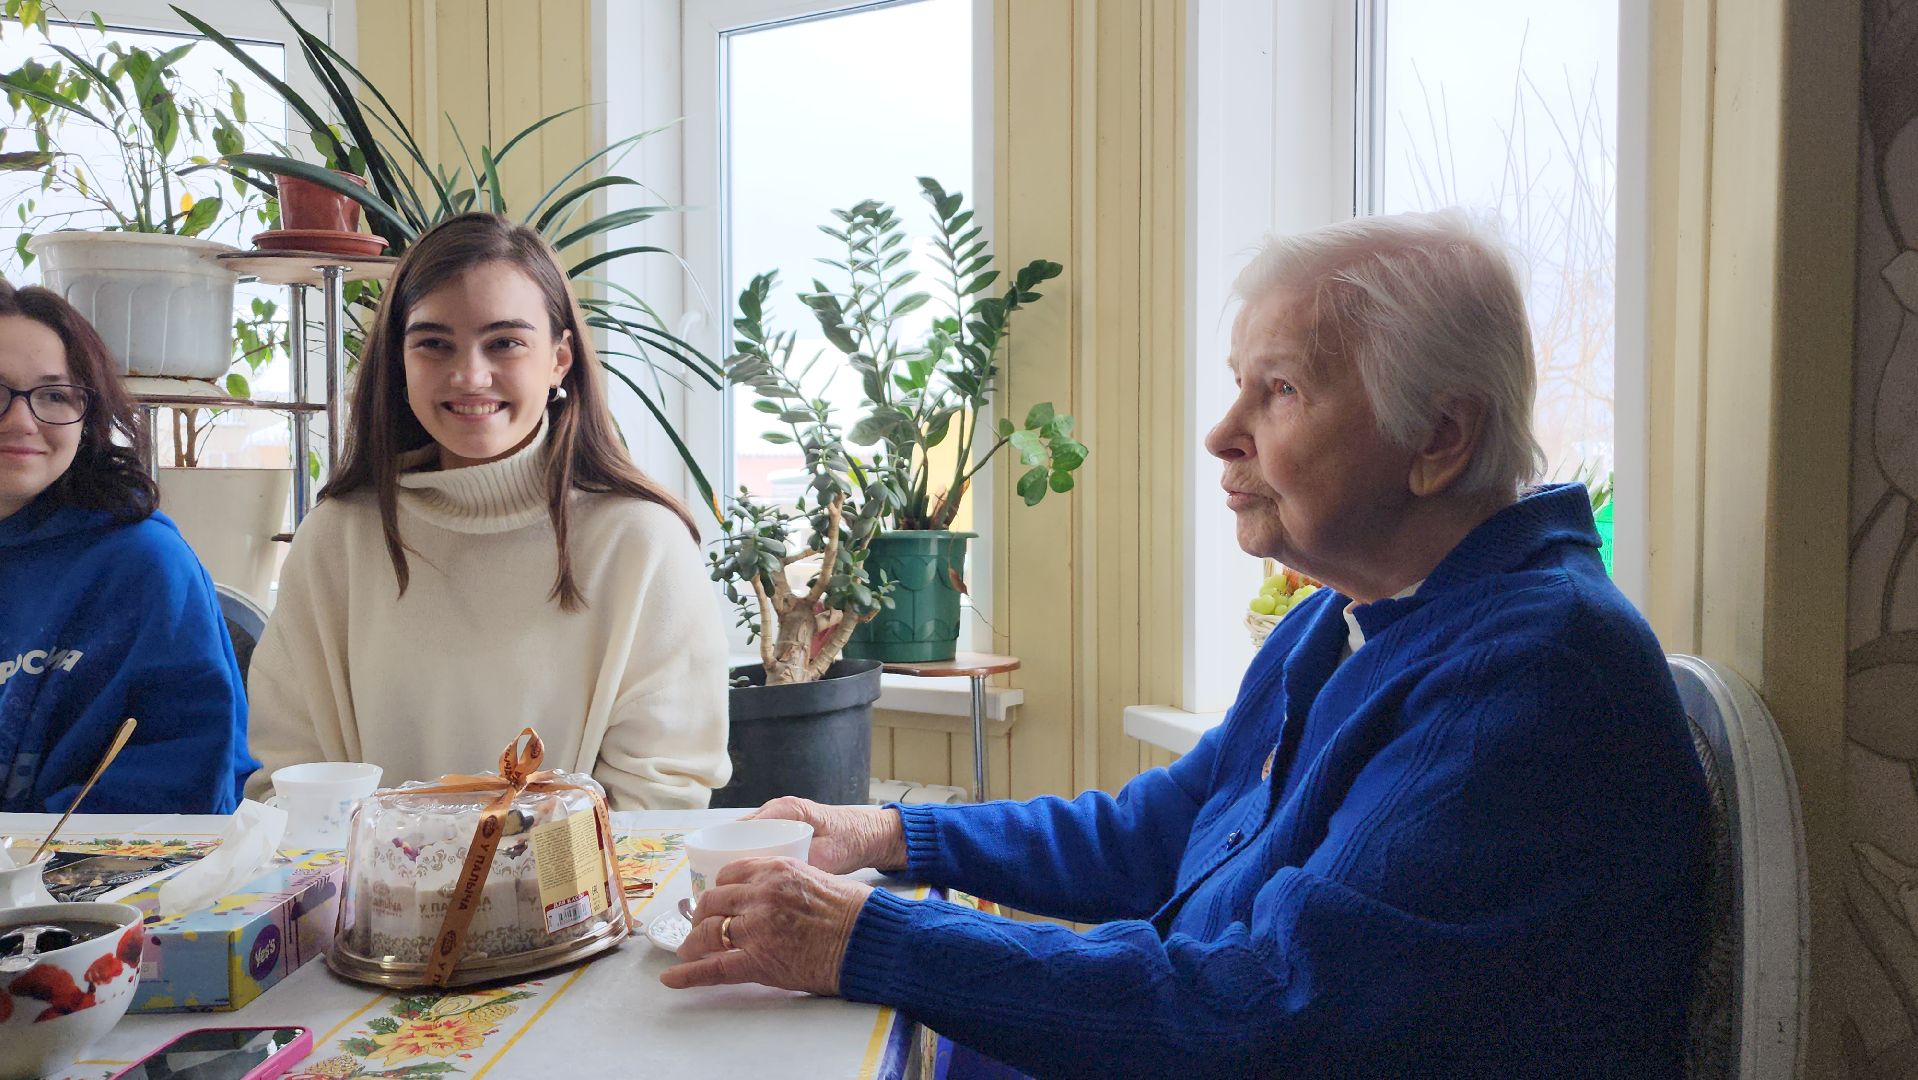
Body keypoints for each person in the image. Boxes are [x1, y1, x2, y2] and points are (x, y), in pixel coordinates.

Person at [661, 211, 1707, 1078]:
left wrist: (866, 935)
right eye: (1239, 382)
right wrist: (885, 833)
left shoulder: (1532, 672)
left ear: (1440, 437)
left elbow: (1269, 1012)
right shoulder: (1342, 617)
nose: (1221, 432)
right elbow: (1159, 830)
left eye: (1279, 389)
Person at [245, 213, 729, 810]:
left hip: (586, 877)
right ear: (400, 361)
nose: (470, 375)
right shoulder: (336, 538)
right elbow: (288, 780)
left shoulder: (642, 542)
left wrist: (505, 866)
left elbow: (658, 800)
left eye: (504, 342)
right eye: (433, 343)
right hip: (363, 876)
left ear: (559, 358)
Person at [0, 281, 255, 814]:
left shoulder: (145, 563)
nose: (22, 420)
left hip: (79, 864)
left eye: (54, 395)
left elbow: (184, 781)